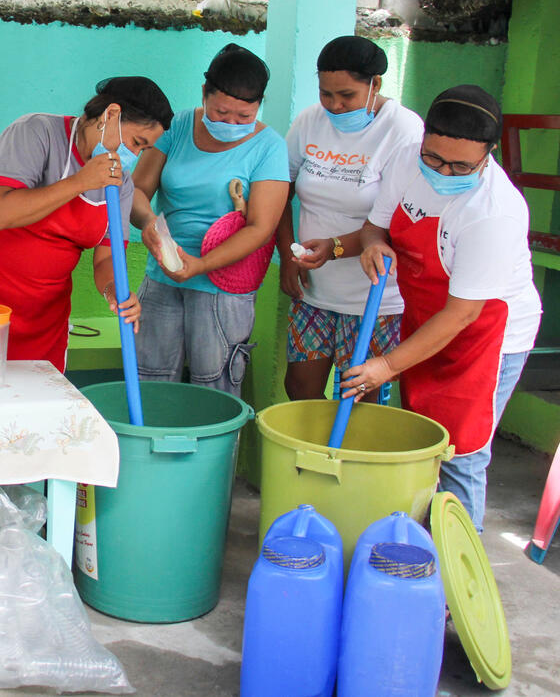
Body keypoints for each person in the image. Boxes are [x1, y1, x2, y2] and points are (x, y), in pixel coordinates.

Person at [348, 85, 541, 532]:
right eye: (434, 158)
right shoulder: (406, 161)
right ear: (425, 139)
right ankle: (416, 545)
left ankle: (455, 577)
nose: (443, 171)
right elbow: (375, 227)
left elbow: (462, 315)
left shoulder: (494, 212)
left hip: (486, 336)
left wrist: (387, 366)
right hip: (428, 317)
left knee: (461, 451)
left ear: (488, 154)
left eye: (461, 166)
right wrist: (373, 246)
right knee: (423, 439)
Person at [0, 77, 172, 372]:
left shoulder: (120, 184)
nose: (135, 156)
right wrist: (80, 182)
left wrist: (114, 290)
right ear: (111, 115)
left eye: (144, 150)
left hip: (44, 320)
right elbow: (1, 212)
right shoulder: (36, 132)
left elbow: (106, 258)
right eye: (136, 143)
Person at [130, 43, 290, 397]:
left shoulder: (269, 148)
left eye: (243, 117)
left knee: (215, 388)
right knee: (148, 382)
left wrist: (200, 265)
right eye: (220, 112)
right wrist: (149, 225)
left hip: (223, 287)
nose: (231, 123)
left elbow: (261, 229)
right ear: (204, 93)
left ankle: (214, 455)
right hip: (163, 277)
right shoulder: (177, 127)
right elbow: (137, 191)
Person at [276, 36, 422, 401]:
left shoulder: (403, 130)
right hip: (313, 290)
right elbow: (281, 191)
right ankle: (313, 459)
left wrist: (336, 248)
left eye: (347, 96)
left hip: (375, 295)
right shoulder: (310, 120)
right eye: (326, 94)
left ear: (376, 85)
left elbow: (397, 220)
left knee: (361, 400)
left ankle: (351, 460)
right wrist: (286, 258)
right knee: (300, 389)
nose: (335, 105)